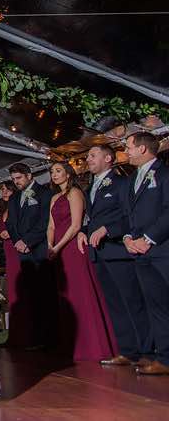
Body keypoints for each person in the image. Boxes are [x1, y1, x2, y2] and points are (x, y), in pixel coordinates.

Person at [76, 144, 153, 368]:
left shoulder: (122, 183)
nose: (88, 159)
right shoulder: (90, 186)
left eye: (92, 155)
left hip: (118, 250)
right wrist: (83, 232)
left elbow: (129, 215)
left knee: (133, 302)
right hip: (99, 254)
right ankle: (127, 351)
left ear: (108, 158)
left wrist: (108, 230)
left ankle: (149, 351)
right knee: (115, 305)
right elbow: (92, 219)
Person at [47, 161, 117, 361]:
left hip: (71, 248)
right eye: (52, 172)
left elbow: (76, 225)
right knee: (67, 295)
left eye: (58, 171)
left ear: (68, 174)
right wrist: (49, 245)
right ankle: (73, 344)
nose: (54, 174)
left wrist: (58, 247)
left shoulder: (75, 193)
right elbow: (50, 226)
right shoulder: (54, 198)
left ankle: (95, 345)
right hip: (56, 248)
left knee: (82, 292)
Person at [123, 131, 169, 375]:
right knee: (156, 306)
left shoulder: (164, 174)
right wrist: (128, 238)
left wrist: (149, 238)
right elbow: (128, 214)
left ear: (142, 149)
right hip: (140, 253)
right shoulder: (131, 179)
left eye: (128, 146)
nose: (126, 151)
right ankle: (165, 358)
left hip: (163, 249)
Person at [6, 161, 55, 350]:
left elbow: (45, 221)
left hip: (40, 249)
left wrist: (28, 241)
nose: (16, 182)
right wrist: (18, 241)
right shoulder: (14, 198)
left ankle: (50, 337)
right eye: (13, 179)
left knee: (46, 294)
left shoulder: (45, 193)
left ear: (29, 175)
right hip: (23, 252)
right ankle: (36, 337)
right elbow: (10, 223)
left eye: (19, 178)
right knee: (31, 295)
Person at [0, 181, 23, 345]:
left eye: (7, 189)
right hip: (8, 251)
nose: (4, 192)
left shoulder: (18, 207)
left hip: (18, 248)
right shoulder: (3, 211)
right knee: (13, 290)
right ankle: (17, 331)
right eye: (2, 190)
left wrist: (10, 233)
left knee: (22, 287)